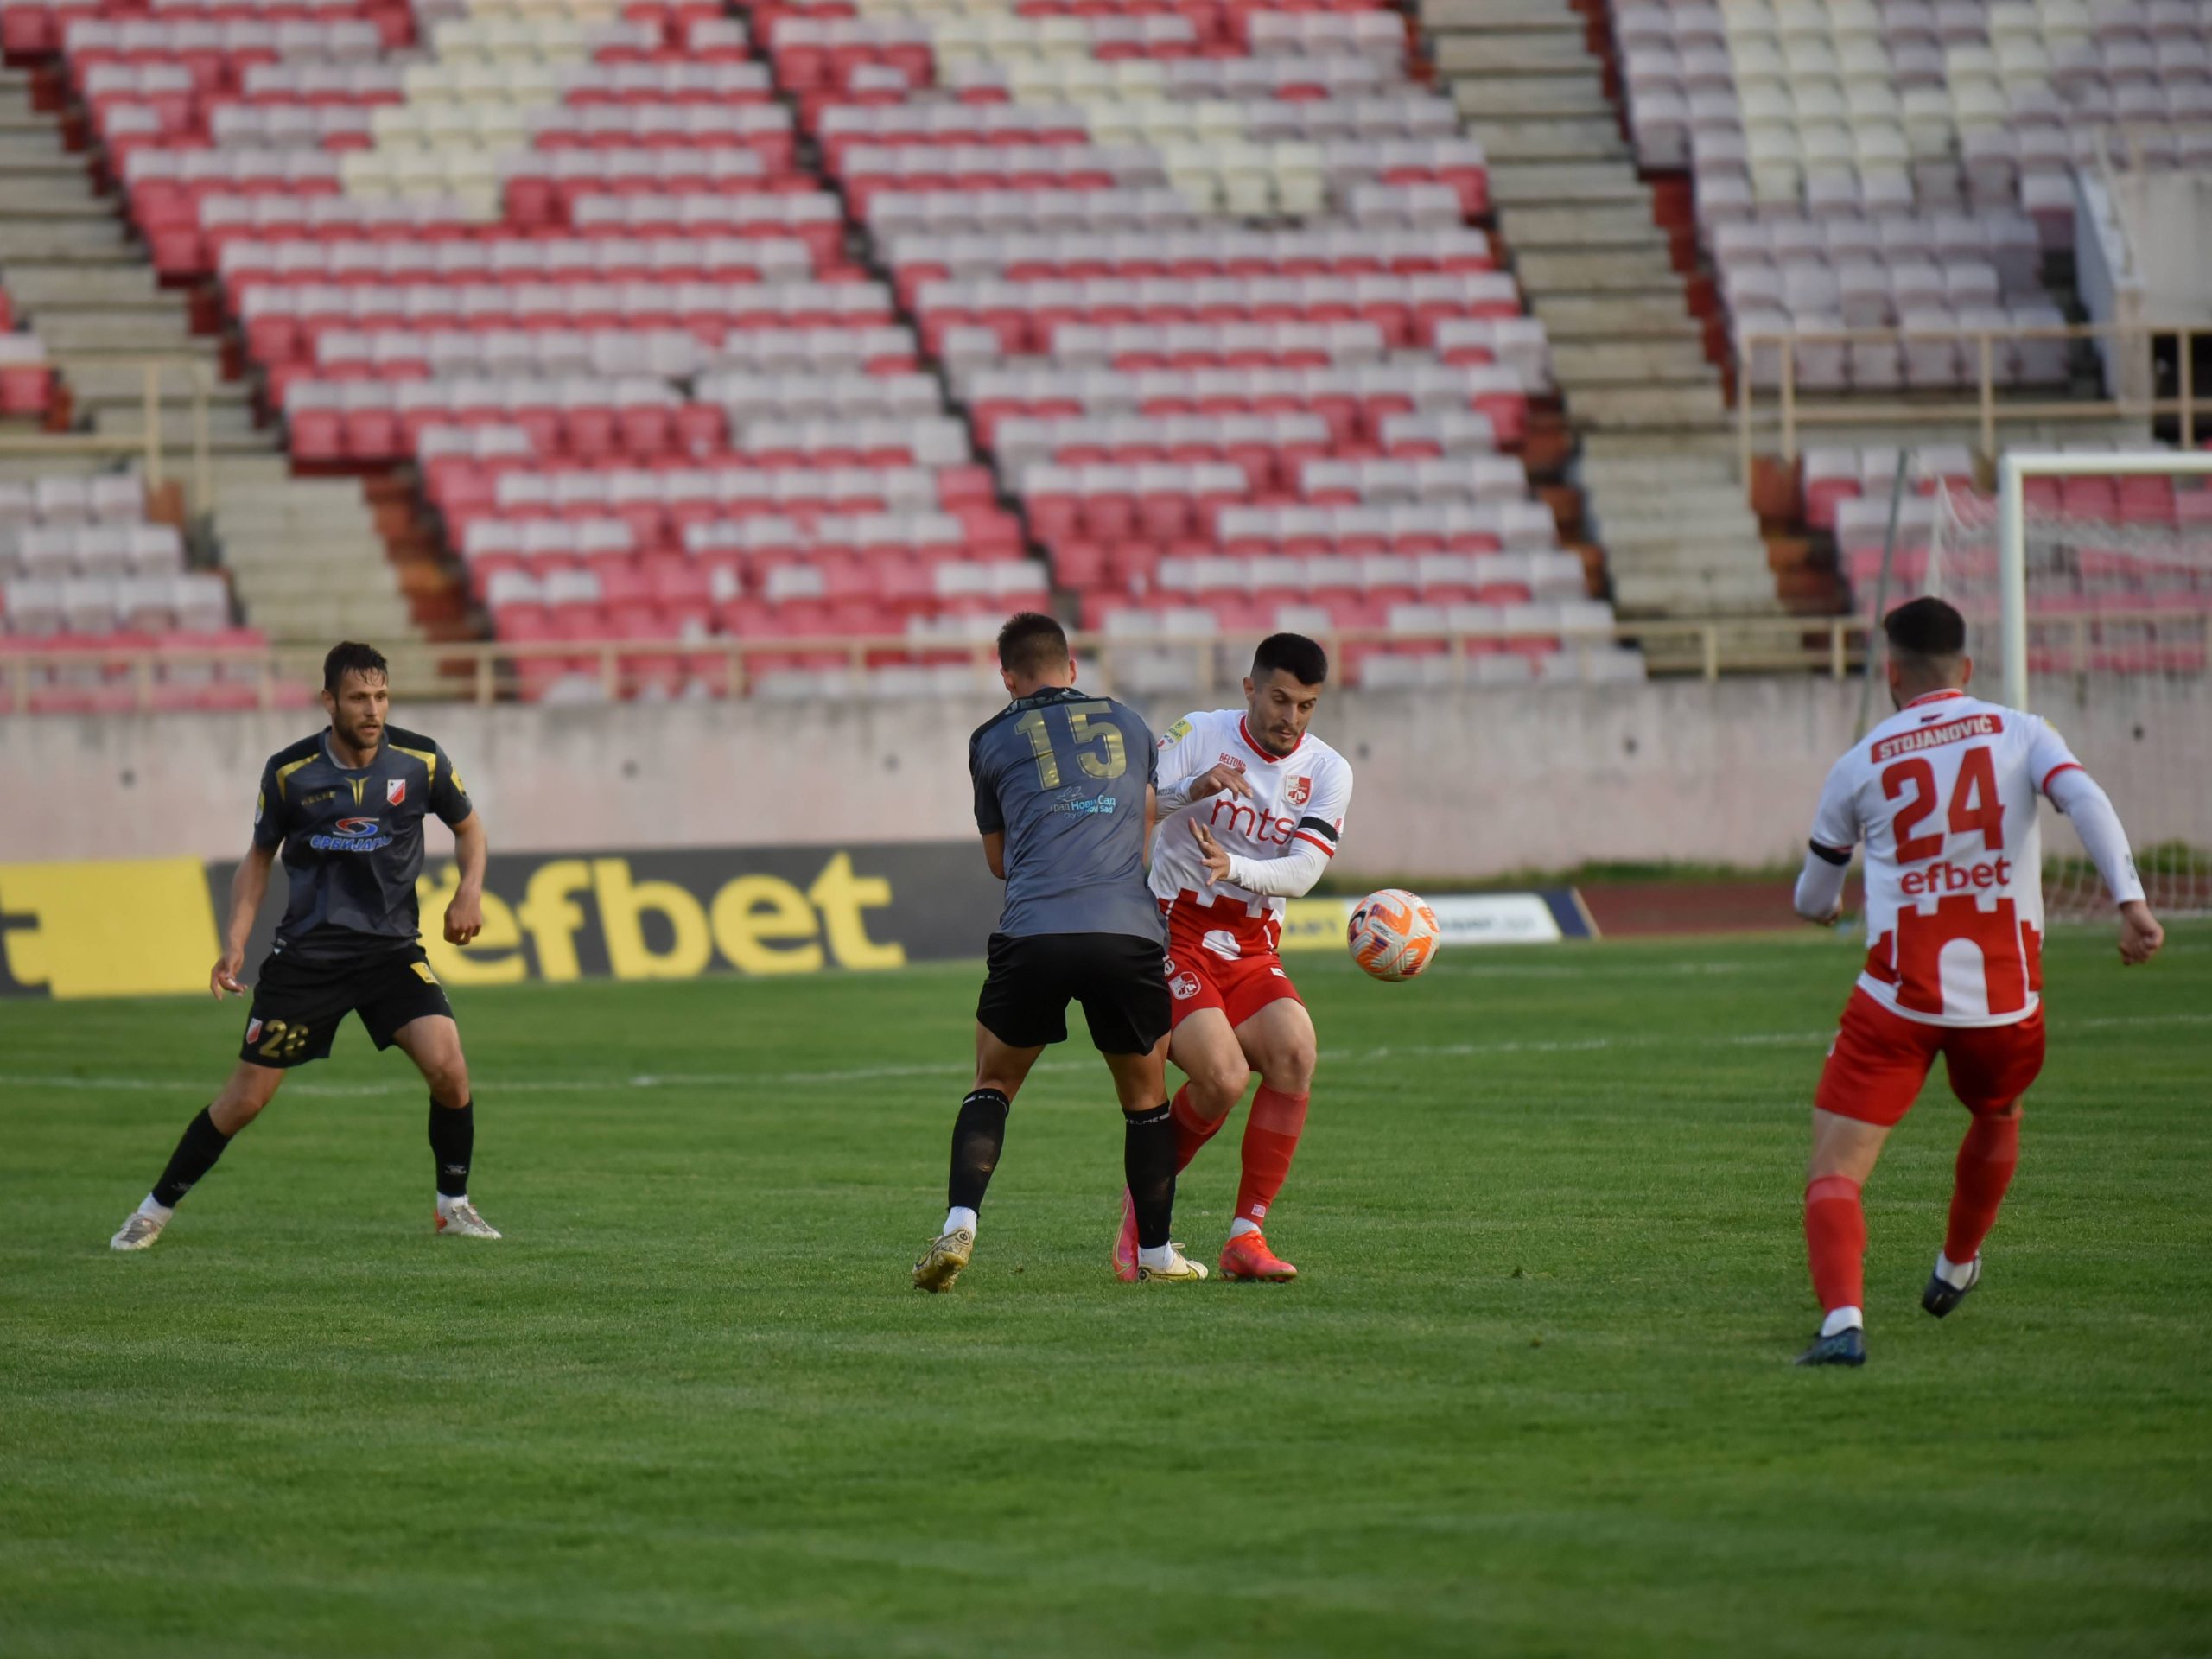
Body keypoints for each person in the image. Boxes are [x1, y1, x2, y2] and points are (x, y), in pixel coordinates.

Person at [1790, 596, 2164, 1365]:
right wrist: (2130, 902)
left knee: (1834, 1171)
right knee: (1997, 1113)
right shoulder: (2023, 733)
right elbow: (2084, 799)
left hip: (1898, 999)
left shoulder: (1861, 760)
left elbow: (1813, 897)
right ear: (1966, 668)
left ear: (1891, 673)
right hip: (2004, 1000)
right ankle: (1958, 1261)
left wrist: (1825, 913)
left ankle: (1843, 1325)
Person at [108, 641, 499, 1251]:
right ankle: (152, 1211)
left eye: (381, 696)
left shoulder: (420, 762)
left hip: (391, 953)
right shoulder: (291, 772)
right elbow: (258, 858)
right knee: (244, 1100)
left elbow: (469, 827)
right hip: (308, 962)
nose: (372, 710)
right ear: (329, 702)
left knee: (449, 1068)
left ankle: (454, 1205)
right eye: (358, 698)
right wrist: (235, 943)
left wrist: (469, 893)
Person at [912, 613, 1207, 1291]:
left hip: (1036, 928)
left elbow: (999, 862)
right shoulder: (1131, 724)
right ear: (1073, 669)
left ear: (1008, 677)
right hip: (1124, 929)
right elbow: (1141, 835)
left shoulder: (989, 739)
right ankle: (1158, 1255)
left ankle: (960, 1222)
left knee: (993, 1082)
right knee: (1146, 1099)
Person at [1113, 632, 1354, 1283]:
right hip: (1174, 929)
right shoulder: (1198, 732)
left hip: (1250, 942)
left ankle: (1246, 1237)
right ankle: (1142, 1211)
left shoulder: (1329, 771)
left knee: (1296, 1051)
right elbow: (1127, 809)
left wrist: (1237, 867)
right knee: (1222, 1078)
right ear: (1250, 689)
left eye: (1306, 705)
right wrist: (1191, 787)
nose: (1291, 718)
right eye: (1279, 699)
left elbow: (1302, 873)